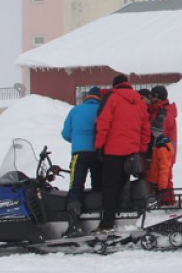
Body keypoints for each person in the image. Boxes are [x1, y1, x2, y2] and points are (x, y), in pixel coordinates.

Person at [93, 74, 151, 233]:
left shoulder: (112, 98)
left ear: (115, 85)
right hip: (131, 153)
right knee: (124, 186)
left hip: (112, 152)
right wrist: (141, 149)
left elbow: (103, 124)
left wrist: (99, 146)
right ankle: (125, 218)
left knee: (109, 187)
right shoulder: (139, 102)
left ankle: (107, 223)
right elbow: (146, 129)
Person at [60, 86, 103, 238]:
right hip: (98, 154)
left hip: (79, 154)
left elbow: (65, 134)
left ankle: (74, 224)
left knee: (76, 186)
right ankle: (99, 220)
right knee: (98, 186)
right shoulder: (101, 109)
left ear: (87, 97)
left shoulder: (75, 110)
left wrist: (78, 139)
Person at [148, 85, 178, 202]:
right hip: (166, 151)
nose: (149, 98)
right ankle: (167, 201)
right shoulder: (162, 111)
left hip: (163, 151)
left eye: (152, 96)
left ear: (157, 97)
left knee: (164, 178)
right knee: (164, 177)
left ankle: (168, 202)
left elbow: (158, 134)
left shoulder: (162, 114)